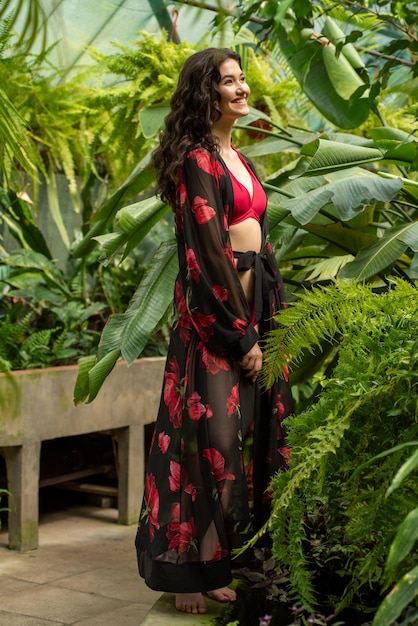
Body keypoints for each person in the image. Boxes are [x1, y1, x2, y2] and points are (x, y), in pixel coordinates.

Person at [135, 47, 293, 615]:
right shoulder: (197, 160)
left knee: (249, 440)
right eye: (229, 81)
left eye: (243, 78)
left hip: (256, 314)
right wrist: (238, 335)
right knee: (214, 444)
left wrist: (267, 326)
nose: (243, 89)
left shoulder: (237, 157)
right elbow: (207, 255)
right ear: (207, 92)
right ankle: (192, 576)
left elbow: (259, 239)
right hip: (216, 323)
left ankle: (231, 560)